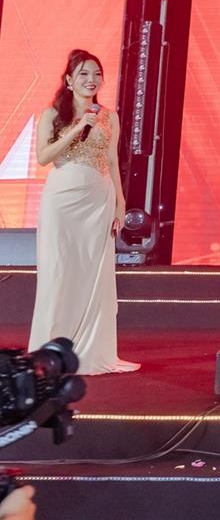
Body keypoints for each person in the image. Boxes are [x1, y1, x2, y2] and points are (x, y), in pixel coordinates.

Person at [28, 49, 138, 375]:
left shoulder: (109, 117)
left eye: (97, 74)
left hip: (98, 202)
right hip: (62, 203)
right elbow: (44, 157)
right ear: (69, 80)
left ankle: (91, 352)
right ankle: (50, 353)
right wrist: (77, 128)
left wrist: (120, 202)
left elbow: (113, 162)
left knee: (94, 277)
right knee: (58, 273)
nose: (92, 80)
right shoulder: (52, 114)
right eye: (84, 74)